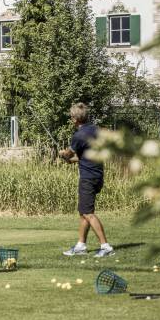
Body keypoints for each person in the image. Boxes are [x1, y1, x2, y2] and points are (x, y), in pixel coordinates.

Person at [60, 103, 114, 257]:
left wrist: (63, 154)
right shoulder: (96, 130)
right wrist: (73, 159)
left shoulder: (78, 135)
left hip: (88, 178)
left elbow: (69, 154)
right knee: (83, 213)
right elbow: (86, 155)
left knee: (88, 213)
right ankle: (80, 245)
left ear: (75, 119)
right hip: (98, 175)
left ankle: (105, 246)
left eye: (71, 117)